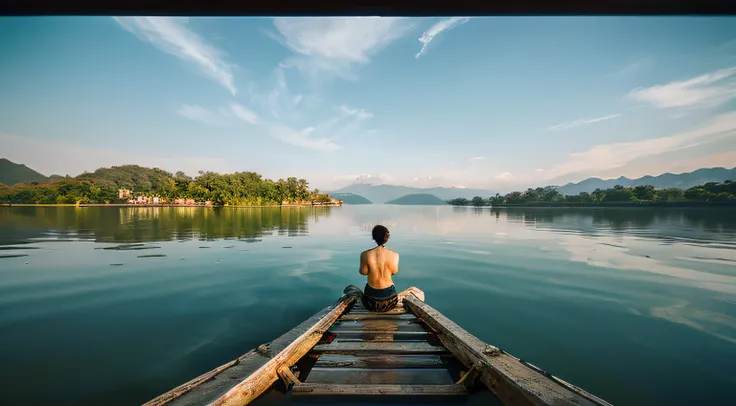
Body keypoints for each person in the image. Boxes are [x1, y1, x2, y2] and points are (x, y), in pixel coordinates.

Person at [359, 225, 400, 312]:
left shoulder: (365, 254)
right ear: (386, 237)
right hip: (389, 301)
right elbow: (394, 271)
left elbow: (363, 272)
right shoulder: (395, 255)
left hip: (370, 302)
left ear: (374, 237)